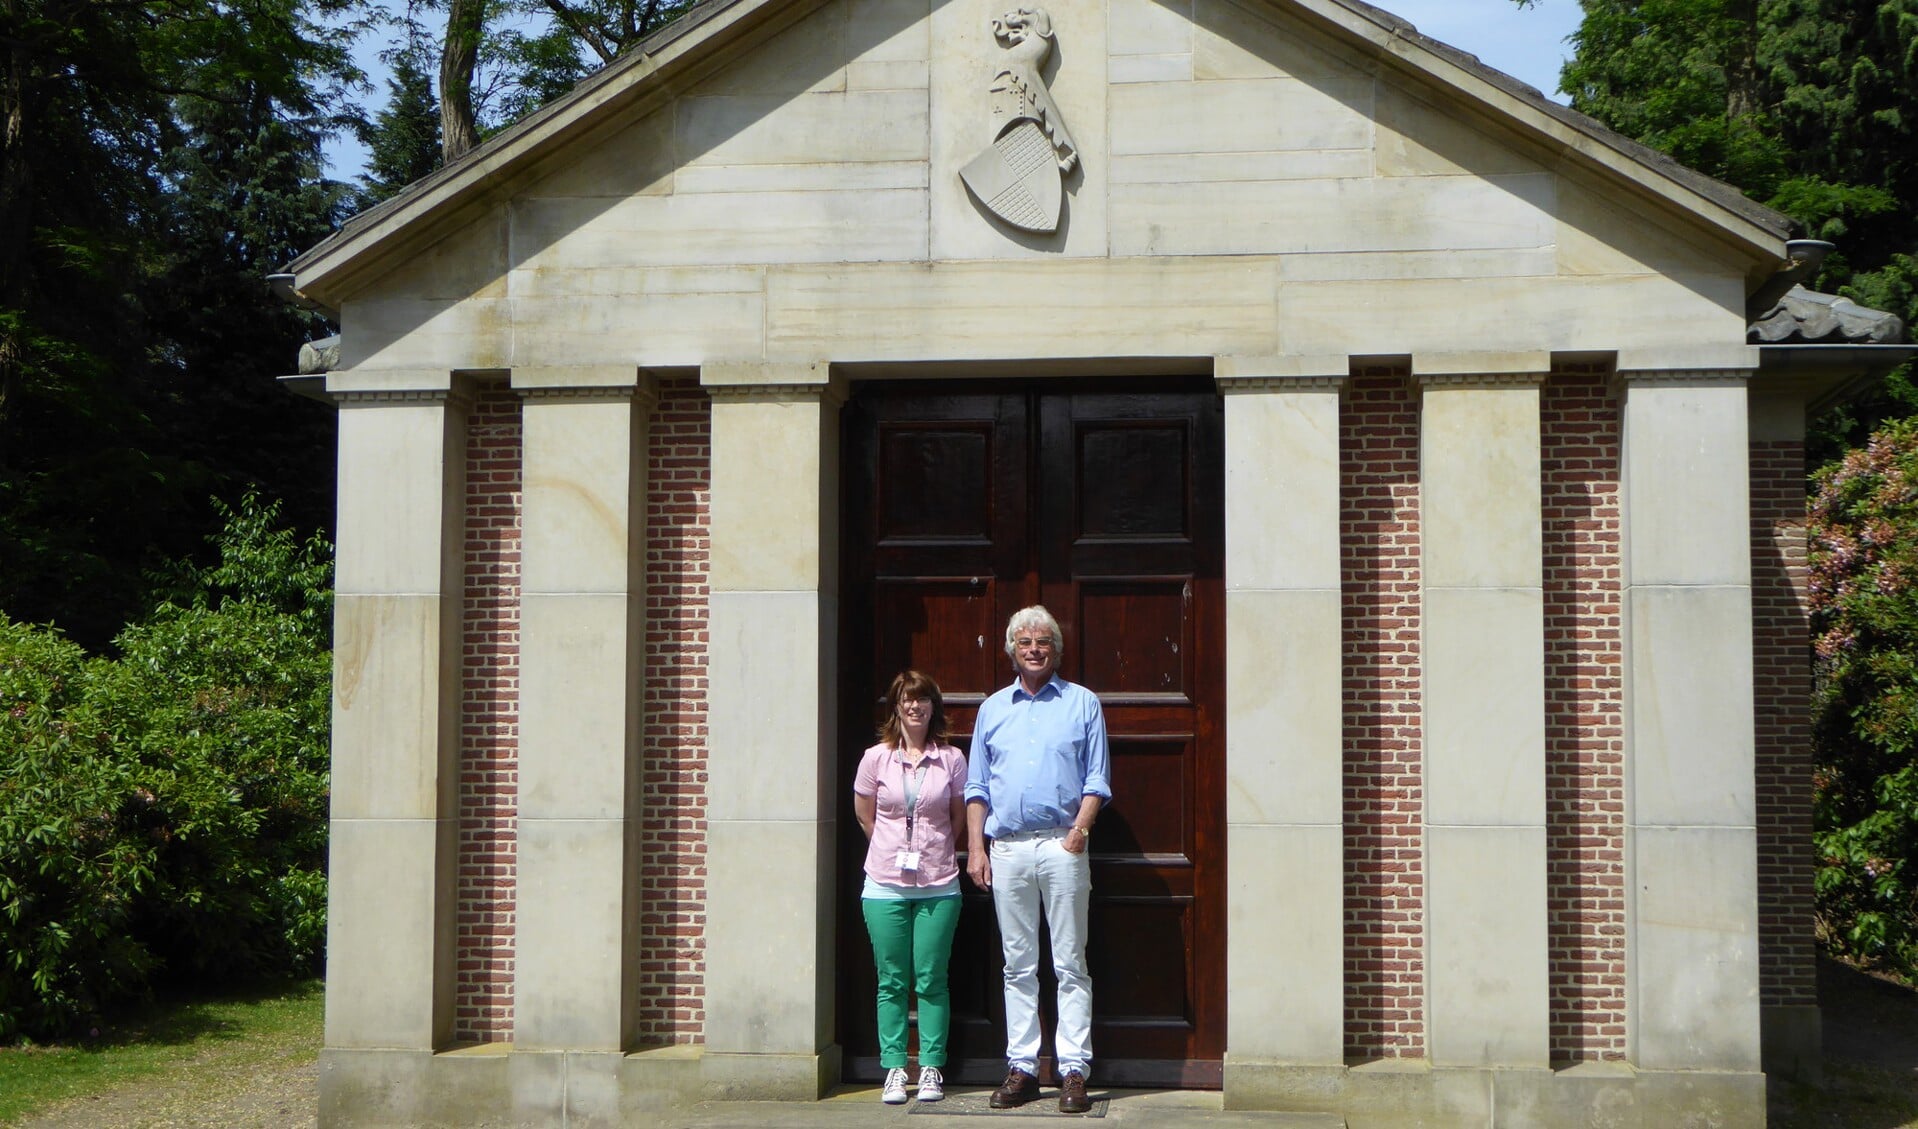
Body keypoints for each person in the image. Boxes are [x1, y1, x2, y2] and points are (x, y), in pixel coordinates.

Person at [965, 605, 1110, 1114]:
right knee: (1017, 965)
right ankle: (1023, 1069)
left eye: (1042, 641)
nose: (1033, 648)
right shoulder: (992, 709)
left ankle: (1073, 1070)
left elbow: (1097, 778)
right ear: (1010, 650)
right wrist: (977, 847)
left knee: (1071, 963)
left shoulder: (1082, 703)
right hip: (1006, 849)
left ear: (1056, 649)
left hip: (1061, 845)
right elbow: (977, 785)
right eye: (1024, 641)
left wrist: (1079, 832)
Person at [854, 670, 968, 1105]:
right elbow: (867, 816)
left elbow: (958, 817)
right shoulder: (875, 759)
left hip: (939, 883)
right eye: (907, 700)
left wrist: (933, 849)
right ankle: (895, 1068)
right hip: (885, 884)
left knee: (931, 978)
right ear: (896, 707)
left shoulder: (952, 759)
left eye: (922, 700)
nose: (915, 707)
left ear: (933, 706)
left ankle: (933, 1067)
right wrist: (892, 847)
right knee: (891, 980)